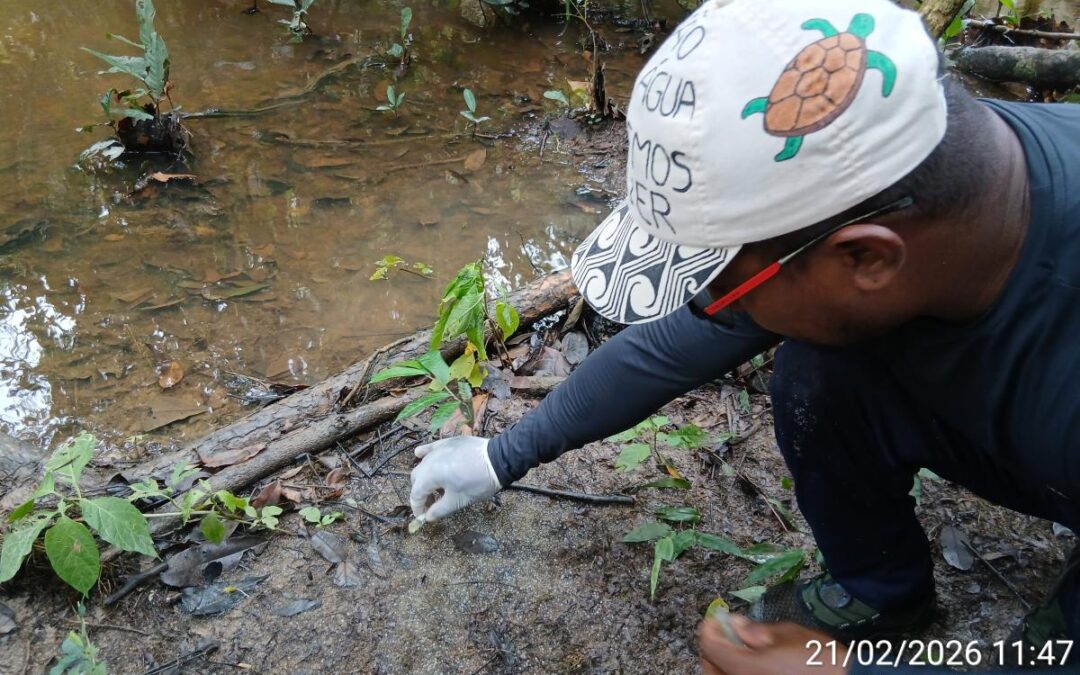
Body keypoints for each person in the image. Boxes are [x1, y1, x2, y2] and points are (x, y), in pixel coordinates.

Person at [409, 0, 1080, 670]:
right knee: (818, 369)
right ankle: (880, 591)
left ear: (865, 259)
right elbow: (674, 345)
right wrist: (501, 456)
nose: (704, 308)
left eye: (714, 283)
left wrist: (839, 671)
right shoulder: (920, 167)